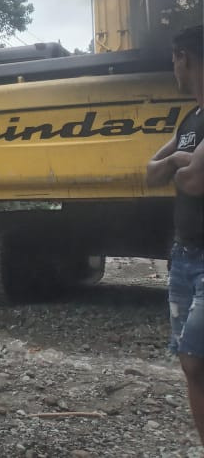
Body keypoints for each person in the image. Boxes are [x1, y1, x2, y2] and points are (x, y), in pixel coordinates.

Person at [147, 25, 204, 446]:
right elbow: (152, 172)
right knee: (191, 362)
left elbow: (191, 182)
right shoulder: (191, 120)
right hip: (184, 254)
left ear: (184, 57)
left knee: (197, 356)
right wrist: (184, 158)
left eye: (173, 60)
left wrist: (181, 165)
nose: (173, 69)